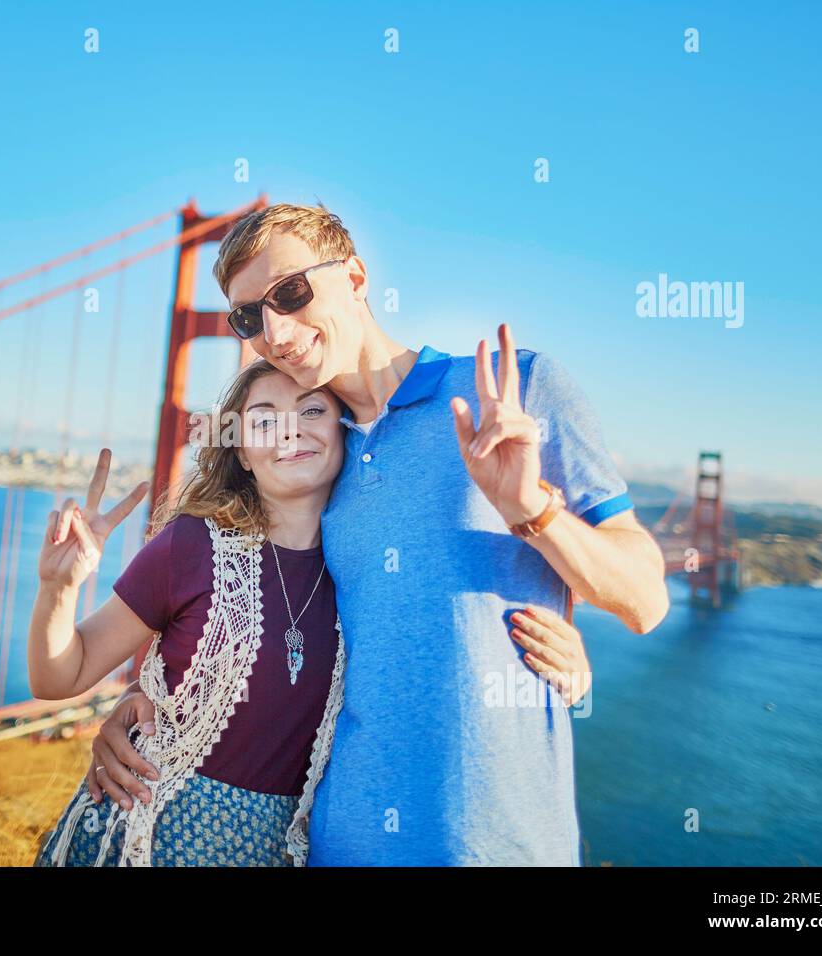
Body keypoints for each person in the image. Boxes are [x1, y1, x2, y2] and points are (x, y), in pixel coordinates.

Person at [82, 202, 669, 866]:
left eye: (291, 293)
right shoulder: (311, 454)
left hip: (498, 845)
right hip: (340, 844)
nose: (274, 331)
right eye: (248, 317)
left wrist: (536, 513)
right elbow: (261, 609)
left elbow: (645, 600)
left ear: (356, 278)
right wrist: (150, 700)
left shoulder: (516, 392)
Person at [31, 354, 596, 866]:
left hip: (277, 849)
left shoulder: (364, 568)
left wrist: (559, 663)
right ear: (241, 453)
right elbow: (61, 676)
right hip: (143, 832)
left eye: (311, 410)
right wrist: (60, 589)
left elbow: (446, 625)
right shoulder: (189, 545)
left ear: (343, 432)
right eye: (263, 420)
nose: (289, 430)